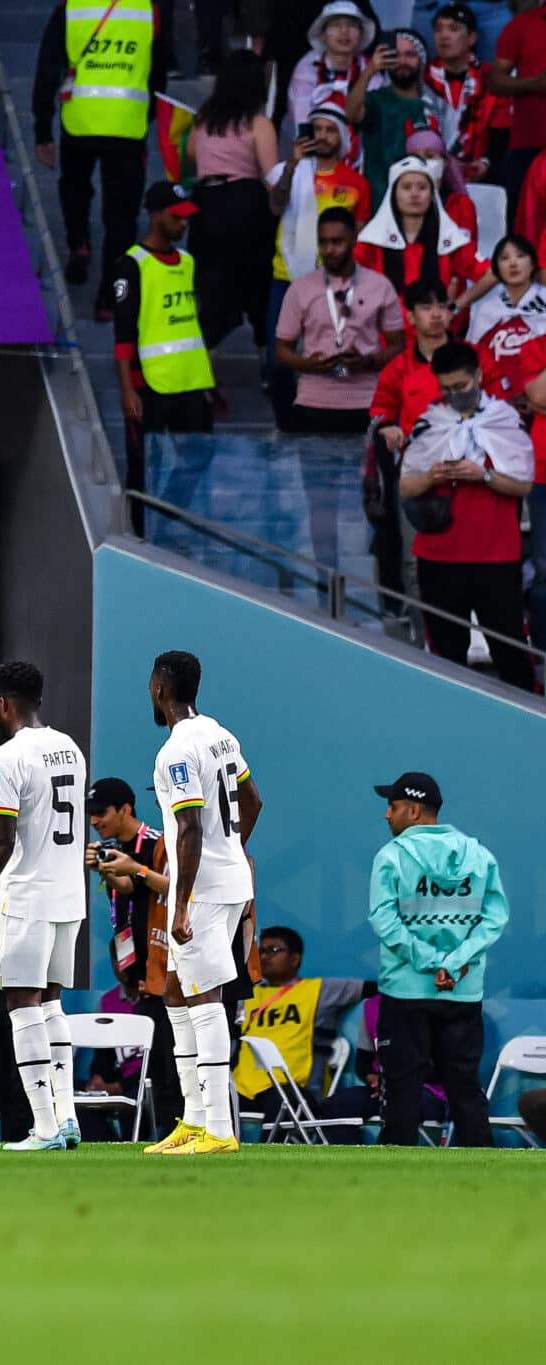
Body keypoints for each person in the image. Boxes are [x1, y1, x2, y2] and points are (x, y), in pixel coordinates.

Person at [0, 661, 89, 1153]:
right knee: (51, 1003)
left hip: (28, 895)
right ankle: (66, 1118)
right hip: (69, 895)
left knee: (22, 1004)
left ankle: (45, 1127)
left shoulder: (4, 759)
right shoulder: (69, 748)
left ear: (1, 703)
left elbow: (4, 840)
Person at [144, 650, 263, 1156]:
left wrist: (181, 902)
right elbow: (254, 799)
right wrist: (233, 852)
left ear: (158, 689)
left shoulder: (175, 754)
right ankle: (193, 1120)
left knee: (205, 998)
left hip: (204, 891)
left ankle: (218, 1128)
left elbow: (189, 828)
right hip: (230, 880)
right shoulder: (221, 734)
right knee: (175, 990)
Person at [367, 771, 506, 1145]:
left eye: (392, 807)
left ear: (412, 811)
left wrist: (431, 962)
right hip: (461, 991)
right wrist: (455, 960)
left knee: (401, 1091)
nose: (386, 815)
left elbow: (384, 920)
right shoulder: (478, 854)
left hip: (406, 991)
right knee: (464, 1088)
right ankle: (486, 1177)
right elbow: (495, 918)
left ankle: (393, 1187)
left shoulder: (391, 856)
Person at [402, 342, 536, 685]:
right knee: (446, 659)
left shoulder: (507, 420)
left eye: (461, 386)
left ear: (478, 376)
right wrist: (432, 476)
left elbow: (523, 485)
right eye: (446, 388)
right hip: (438, 555)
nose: (454, 394)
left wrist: (484, 476)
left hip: (496, 556)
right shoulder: (428, 422)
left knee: (511, 655)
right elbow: (405, 487)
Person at [30, 2, 172, 317]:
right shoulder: (149, 9)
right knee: (121, 215)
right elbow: (159, 70)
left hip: (79, 120)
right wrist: (145, 114)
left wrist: (43, 129)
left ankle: (79, 243)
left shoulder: (73, 7)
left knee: (75, 186)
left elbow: (48, 67)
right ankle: (109, 297)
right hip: (127, 126)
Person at [84, 777, 187, 1133]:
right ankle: (169, 1137)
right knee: (158, 1071)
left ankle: (185, 1134)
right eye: (90, 814)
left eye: (101, 813)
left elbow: (176, 890)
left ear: (125, 810)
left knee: (174, 1069)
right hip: (142, 978)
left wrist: (135, 869)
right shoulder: (116, 849)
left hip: (169, 974)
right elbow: (132, 894)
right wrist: (110, 872)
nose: (94, 821)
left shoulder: (159, 844)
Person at [117, 182, 217, 531]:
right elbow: (124, 333)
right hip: (150, 384)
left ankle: (167, 518)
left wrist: (211, 383)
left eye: (186, 217)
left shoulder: (187, 261)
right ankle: (137, 537)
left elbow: (190, 326)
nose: (183, 224)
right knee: (141, 465)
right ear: (155, 215)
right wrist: (127, 389)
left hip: (191, 380)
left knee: (200, 453)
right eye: (176, 217)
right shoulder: (132, 264)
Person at [267, 102, 375, 417]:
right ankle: (286, 421)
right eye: (317, 129)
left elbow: (362, 233)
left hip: (334, 282)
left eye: (330, 130)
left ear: (341, 137)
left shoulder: (357, 183)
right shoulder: (289, 170)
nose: (323, 136)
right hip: (286, 277)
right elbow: (275, 206)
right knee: (278, 359)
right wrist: (291, 166)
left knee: (331, 356)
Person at [371, 281, 468, 599]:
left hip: (469, 474)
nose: (437, 314)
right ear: (410, 317)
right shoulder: (398, 368)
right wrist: (386, 426)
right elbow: (380, 410)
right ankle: (421, 641)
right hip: (418, 478)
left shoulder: (473, 359)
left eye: (443, 306)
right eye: (426, 307)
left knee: (468, 559)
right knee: (415, 561)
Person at [276, 206, 407, 434]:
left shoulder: (380, 285)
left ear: (354, 239)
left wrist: (368, 361)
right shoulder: (300, 288)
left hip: (366, 401)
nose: (329, 250)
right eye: (323, 242)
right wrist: (308, 365)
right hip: (312, 402)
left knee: (367, 471)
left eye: (337, 242)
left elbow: (398, 346)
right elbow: (281, 349)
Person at [189, 50, 281, 349]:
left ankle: (204, 365)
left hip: (205, 206)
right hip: (246, 204)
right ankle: (265, 358)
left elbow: (191, 155)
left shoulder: (203, 120)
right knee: (258, 287)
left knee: (212, 290)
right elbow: (271, 177)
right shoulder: (259, 123)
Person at [234, 926, 376, 1104]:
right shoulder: (249, 996)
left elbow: (377, 989)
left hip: (294, 1088)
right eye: (261, 950)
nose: (264, 956)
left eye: (273, 950)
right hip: (243, 1087)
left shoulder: (319, 990)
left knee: (284, 1107)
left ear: (294, 959)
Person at [356, 156, 487, 297]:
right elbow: (341, 277)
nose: (414, 194)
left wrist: (455, 307)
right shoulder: (373, 239)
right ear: (393, 194)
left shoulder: (449, 239)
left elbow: (491, 273)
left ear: (432, 195)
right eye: (406, 187)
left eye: (422, 187)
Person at [347, 29, 441, 205]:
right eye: (395, 55)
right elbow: (351, 113)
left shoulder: (436, 103)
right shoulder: (376, 100)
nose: (402, 61)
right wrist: (370, 70)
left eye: (410, 55)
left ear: (421, 60)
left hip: (425, 206)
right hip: (380, 204)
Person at [427, 3, 506, 180]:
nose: (444, 36)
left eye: (453, 29)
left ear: (472, 38)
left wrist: (486, 162)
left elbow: (502, 131)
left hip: (481, 173)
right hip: (431, 174)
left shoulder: (492, 79)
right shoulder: (422, 78)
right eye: (438, 29)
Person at [285, 4, 380, 146]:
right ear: (323, 34)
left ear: (360, 33)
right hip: (310, 147)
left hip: (360, 152)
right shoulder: (307, 67)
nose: (344, 31)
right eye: (336, 25)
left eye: (351, 25)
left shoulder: (370, 67)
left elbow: (372, 119)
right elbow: (301, 121)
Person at [492, 0, 546, 191]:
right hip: (529, 146)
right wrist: (533, 84)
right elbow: (495, 80)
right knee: (522, 219)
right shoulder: (523, 24)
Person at [462, 233, 546, 350]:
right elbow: (473, 353)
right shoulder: (486, 307)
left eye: (520, 256)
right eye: (504, 258)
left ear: (532, 264)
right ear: (497, 269)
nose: (513, 264)